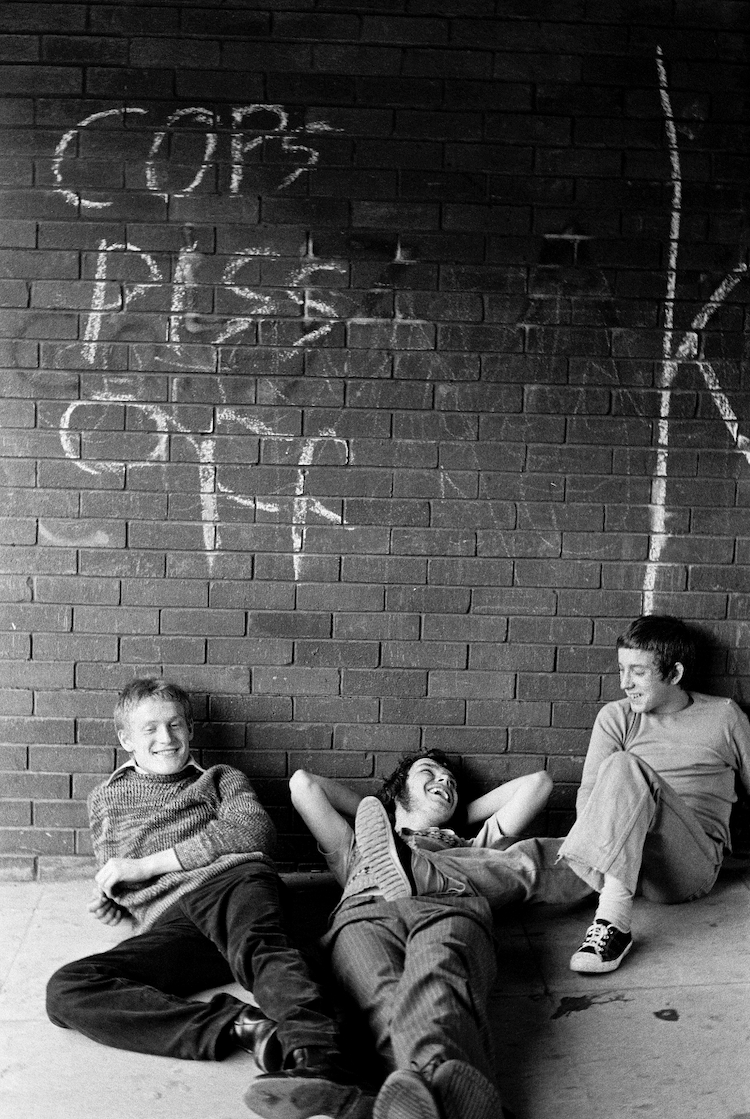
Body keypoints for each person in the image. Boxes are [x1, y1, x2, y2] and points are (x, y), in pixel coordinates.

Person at [45, 678, 371, 1119]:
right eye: (151, 729)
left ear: (190, 730)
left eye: (176, 725)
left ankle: (319, 1061)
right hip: (172, 922)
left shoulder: (221, 780)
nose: (167, 739)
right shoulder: (104, 799)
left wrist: (145, 867)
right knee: (68, 989)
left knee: (263, 950)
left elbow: (254, 833)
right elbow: (116, 869)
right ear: (125, 739)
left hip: (232, 883)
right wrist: (115, 901)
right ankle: (244, 1027)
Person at [289, 756, 588, 1119]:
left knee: (439, 981)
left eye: (451, 781)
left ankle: (408, 1098)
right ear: (398, 792)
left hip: (447, 905)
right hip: (364, 914)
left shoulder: (473, 842)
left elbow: (538, 784)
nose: (444, 781)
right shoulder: (356, 844)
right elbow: (303, 784)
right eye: (428, 773)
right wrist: (387, 808)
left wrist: (454, 807)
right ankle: (450, 1095)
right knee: (380, 999)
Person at [557, 614, 750, 975]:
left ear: (674, 674)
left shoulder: (725, 717)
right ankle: (426, 875)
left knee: (622, 766)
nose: (625, 683)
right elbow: (588, 798)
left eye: (638, 672)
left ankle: (613, 922)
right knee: (525, 861)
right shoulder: (616, 717)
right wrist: (609, 852)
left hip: (687, 866)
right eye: (620, 669)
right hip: (624, 859)